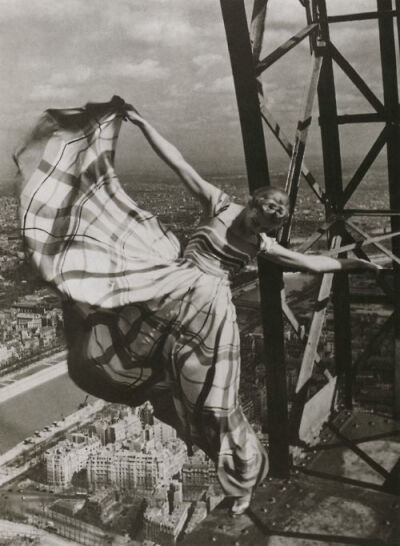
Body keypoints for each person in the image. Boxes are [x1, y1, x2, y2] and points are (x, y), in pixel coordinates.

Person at [17, 99, 381, 516]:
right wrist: (141, 121)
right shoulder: (218, 202)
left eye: (274, 218)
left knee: (217, 407)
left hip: (207, 315)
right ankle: (165, 406)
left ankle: (240, 481)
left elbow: (313, 263)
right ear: (254, 202)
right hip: (167, 286)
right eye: (266, 208)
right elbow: (178, 162)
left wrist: (358, 264)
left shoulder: (261, 244)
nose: (267, 218)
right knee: (103, 323)